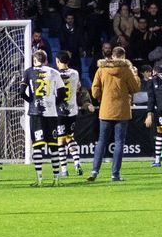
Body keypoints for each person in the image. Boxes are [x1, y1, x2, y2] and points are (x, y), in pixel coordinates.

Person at [88, 46, 140, 183]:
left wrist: (102, 99)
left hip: (105, 109)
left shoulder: (101, 69)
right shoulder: (126, 70)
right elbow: (135, 88)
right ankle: (115, 174)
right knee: (119, 143)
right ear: (123, 56)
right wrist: (135, 75)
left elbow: (94, 90)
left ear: (112, 55)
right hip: (122, 110)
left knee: (101, 141)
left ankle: (94, 171)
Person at [22, 49, 66, 186]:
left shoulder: (29, 72)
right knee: (54, 146)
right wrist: (53, 103)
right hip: (51, 113)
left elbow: (21, 93)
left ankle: (39, 179)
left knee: (37, 146)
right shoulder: (54, 72)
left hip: (36, 113)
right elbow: (62, 94)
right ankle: (56, 178)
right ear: (46, 60)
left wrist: (31, 101)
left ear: (34, 60)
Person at [54, 49, 84, 178]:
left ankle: (64, 169)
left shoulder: (54, 74)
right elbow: (78, 87)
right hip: (72, 111)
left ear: (57, 61)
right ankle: (77, 162)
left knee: (61, 140)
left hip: (60, 111)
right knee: (70, 138)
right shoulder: (75, 73)